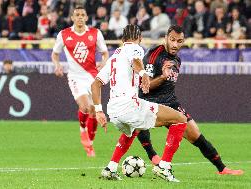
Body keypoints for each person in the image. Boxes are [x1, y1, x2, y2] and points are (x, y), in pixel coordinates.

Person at [136, 25, 244, 175]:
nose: (175, 44)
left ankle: (222, 169)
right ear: (166, 38)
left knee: (195, 134)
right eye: (172, 40)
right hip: (152, 101)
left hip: (171, 102)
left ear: (183, 41)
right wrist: (162, 77)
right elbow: (144, 87)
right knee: (137, 124)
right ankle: (153, 156)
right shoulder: (154, 55)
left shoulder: (177, 59)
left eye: (179, 41)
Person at [91, 24, 188, 182]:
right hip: (129, 105)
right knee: (180, 119)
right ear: (140, 38)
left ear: (122, 39)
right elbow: (136, 60)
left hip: (113, 110)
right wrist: (143, 74)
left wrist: (98, 111)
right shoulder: (136, 48)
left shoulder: (114, 57)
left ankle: (111, 168)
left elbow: (95, 84)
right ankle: (164, 167)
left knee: (133, 129)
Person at [51, 6, 109, 157]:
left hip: (92, 76)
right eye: (77, 15)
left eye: (83, 15)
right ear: (72, 18)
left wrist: (103, 62)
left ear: (86, 18)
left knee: (95, 111)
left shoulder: (95, 33)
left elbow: (104, 53)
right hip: (75, 77)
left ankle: (90, 142)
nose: (80, 17)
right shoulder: (64, 34)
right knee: (85, 106)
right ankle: (82, 129)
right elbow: (55, 54)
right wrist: (57, 66)